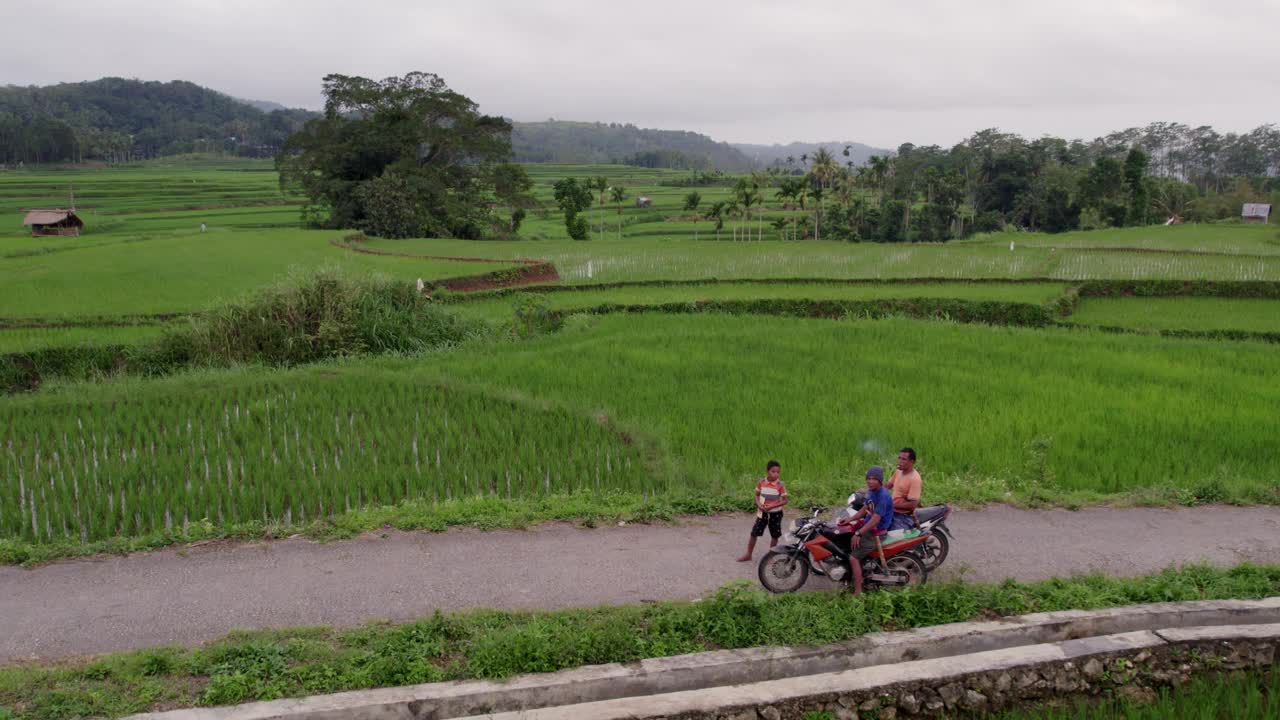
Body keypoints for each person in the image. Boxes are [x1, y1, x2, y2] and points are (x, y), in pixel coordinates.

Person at [846, 465, 894, 595]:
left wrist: (859, 533)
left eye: (874, 479)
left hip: (876, 532)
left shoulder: (883, 496)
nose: (870, 481)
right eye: (868, 478)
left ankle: (858, 592)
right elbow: (864, 510)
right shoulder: (872, 492)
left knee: (853, 558)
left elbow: (875, 520)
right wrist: (849, 520)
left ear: (880, 480)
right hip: (869, 527)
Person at [736, 460, 788, 562]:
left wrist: (772, 506)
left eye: (778, 472)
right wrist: (759, 504)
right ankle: (748, 554)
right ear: (767, 471)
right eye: (773, 471)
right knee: (754, 533)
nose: (776, 474)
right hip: (762, 512)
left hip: (776, 514)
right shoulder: (761, 482)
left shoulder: (780, 485)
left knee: (775, 535)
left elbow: (785, 500)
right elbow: (756, 495)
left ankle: (770, 557)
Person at [886, 447, 923, 530]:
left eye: (904, 459)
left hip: (903, 516)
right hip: (892, 511)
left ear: (912, 462)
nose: (900, 461)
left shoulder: (915, 479)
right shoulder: (898, 472)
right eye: (899, 458)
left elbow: (913, 505)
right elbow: (888, 485)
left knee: (893, 539)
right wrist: (872, 488)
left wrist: (891, 505)